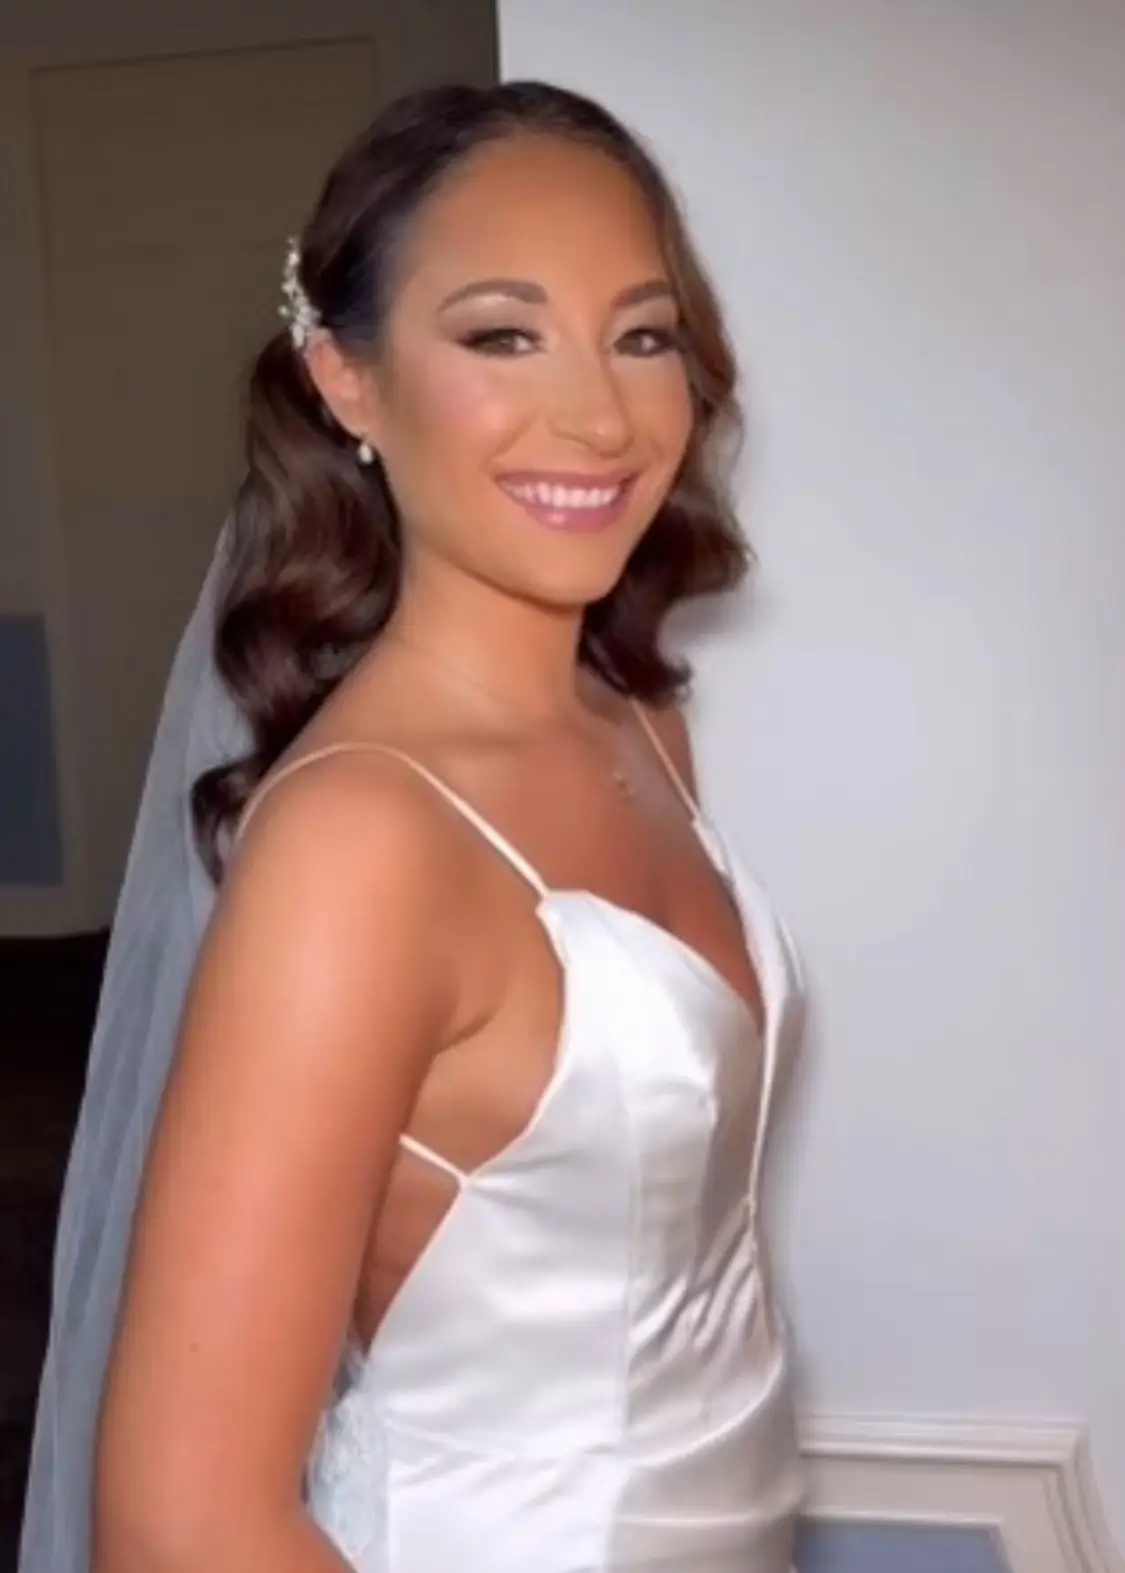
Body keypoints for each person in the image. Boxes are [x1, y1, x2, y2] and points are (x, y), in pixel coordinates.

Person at [22, 81, 806, 1573]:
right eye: (502, 333)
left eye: (641, 334)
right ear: (347, 381)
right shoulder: (362, 847)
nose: (599, 412)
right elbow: (182, 1530)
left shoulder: (639, 721)